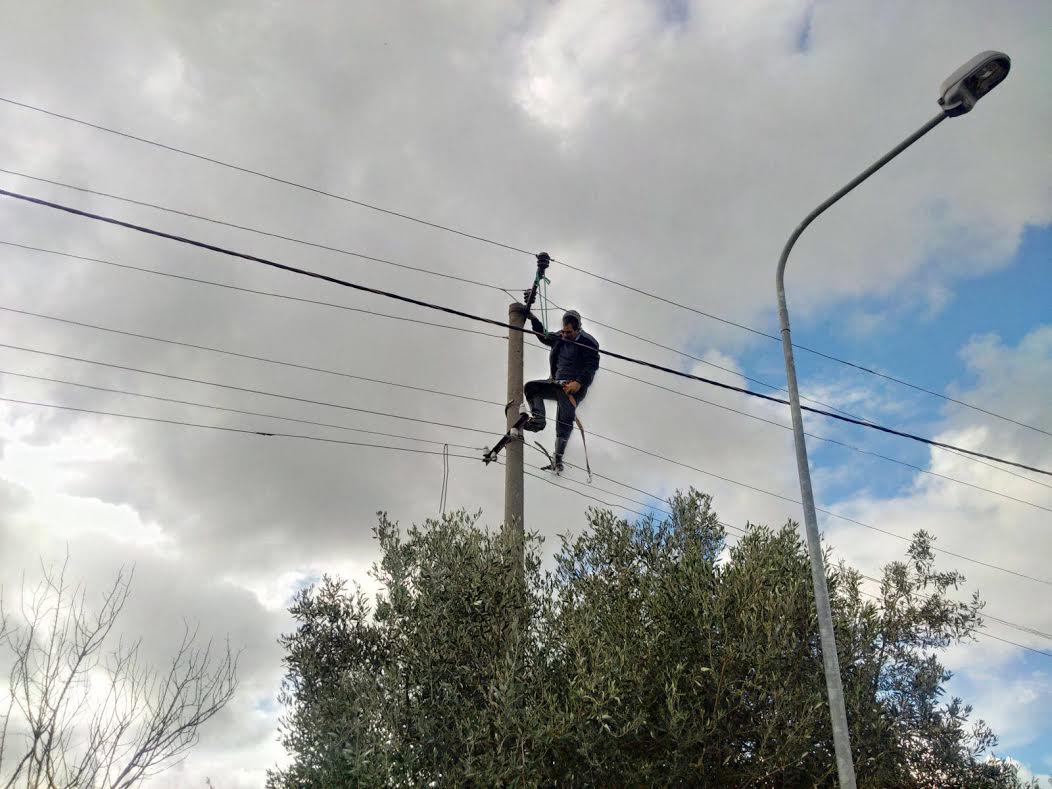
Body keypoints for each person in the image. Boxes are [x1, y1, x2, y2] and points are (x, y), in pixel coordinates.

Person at [521, 307, 600, 472]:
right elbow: (544, 335)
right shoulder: (559, 337)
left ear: (578, 329)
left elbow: (591, 366)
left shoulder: (588, 342)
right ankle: (538, 419)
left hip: (572, 388)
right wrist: (533, 319)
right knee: (532, 388)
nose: (565, 335)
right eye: (564, 331)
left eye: (569, 332)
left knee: (564, 422)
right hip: (556, 383)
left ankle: (557, 460)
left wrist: (578, 382)